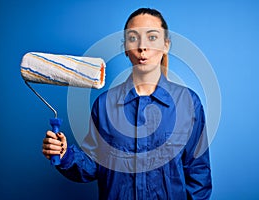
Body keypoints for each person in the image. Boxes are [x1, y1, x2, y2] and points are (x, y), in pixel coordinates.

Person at [42, 8, 212, 199]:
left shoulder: (188, 104)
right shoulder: (104, 105)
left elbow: (198, 175)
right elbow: (92, 166)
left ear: (166, 45)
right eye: (133, 38)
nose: (142, 47)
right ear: (125, 48)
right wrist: (65, 154)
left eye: (152, 37)